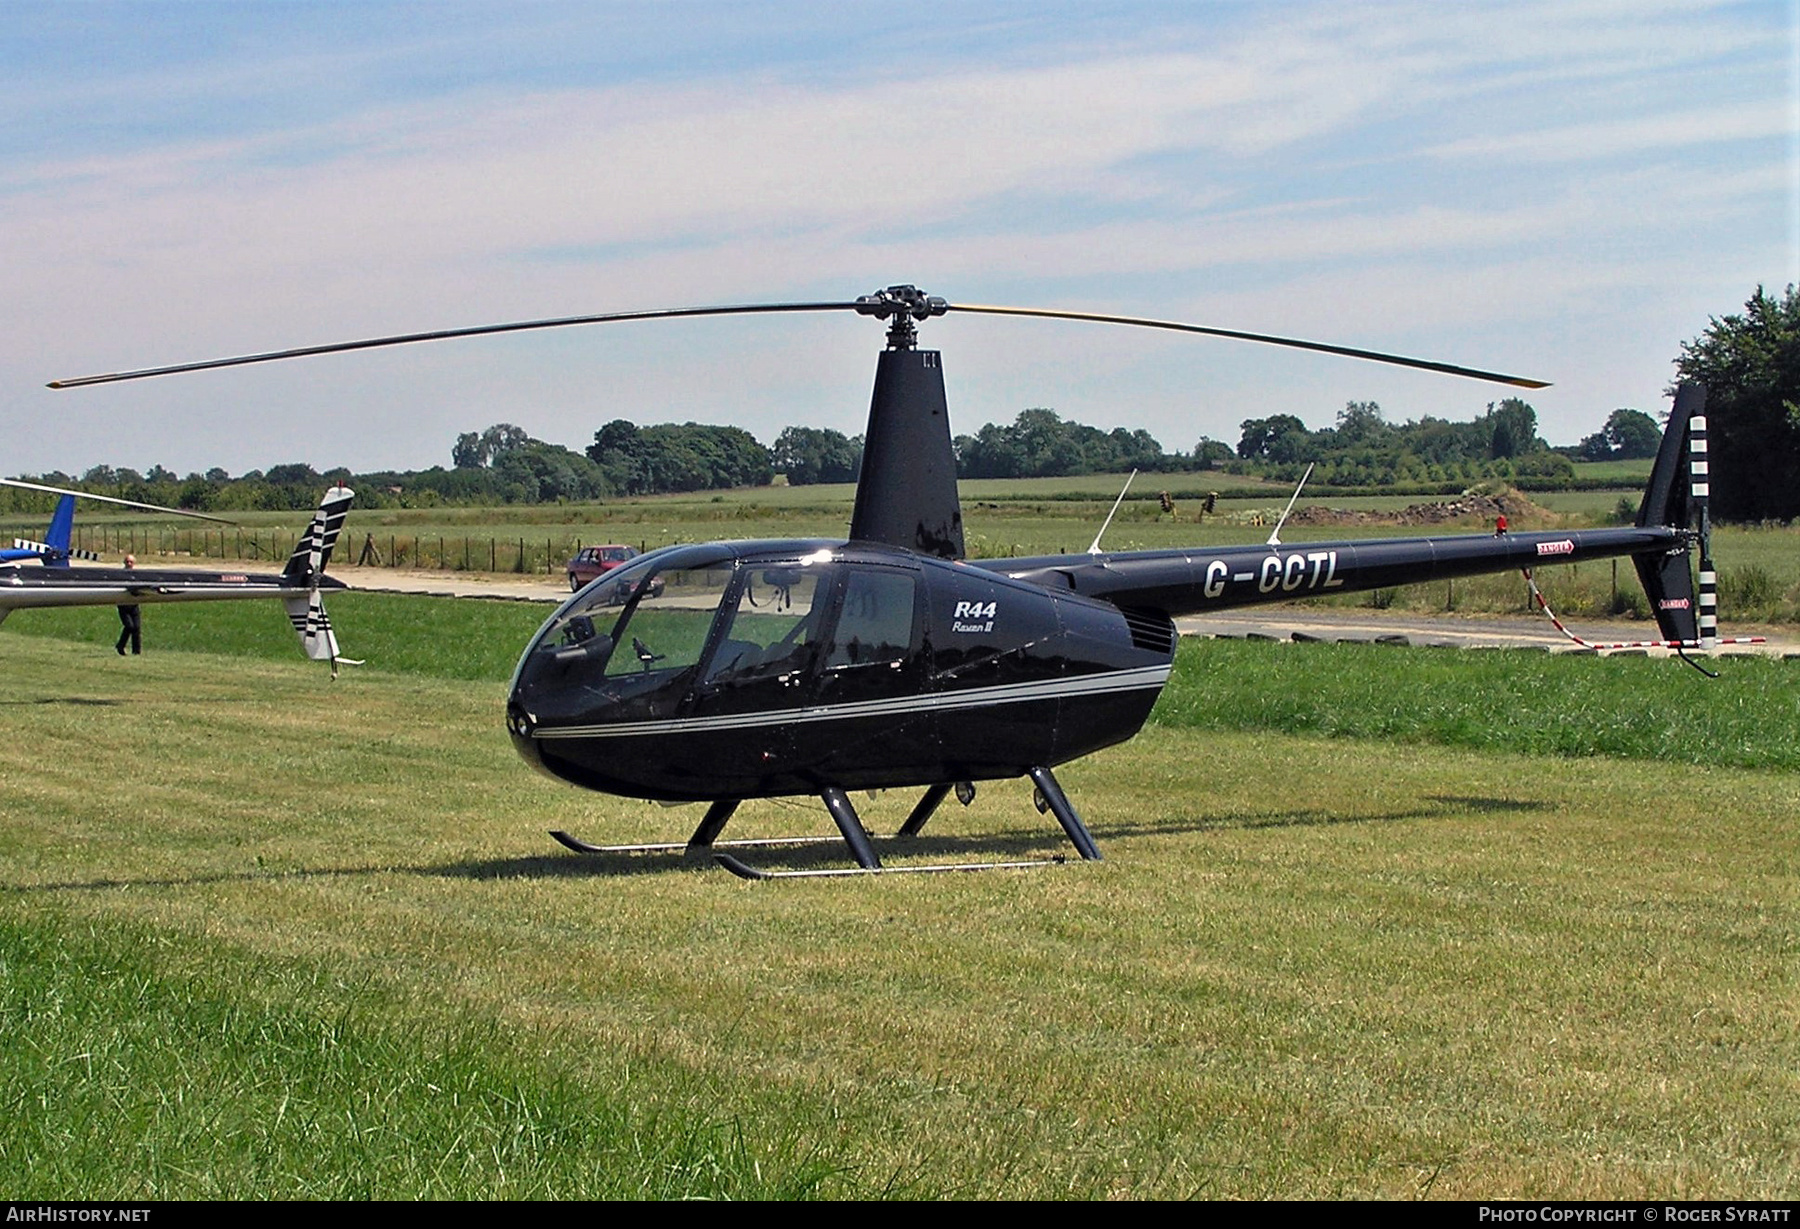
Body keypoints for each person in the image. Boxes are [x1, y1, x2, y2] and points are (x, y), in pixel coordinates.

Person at [115, 554, 141, 655]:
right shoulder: (121, 575)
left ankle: (136, 651)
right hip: (123, 605)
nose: (129, 564)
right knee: (129, 626)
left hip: (134, 604)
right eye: (127, 562)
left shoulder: (137, 575)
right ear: (124, 563)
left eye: (131, 562)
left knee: (137, 628)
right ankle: (120, 646)